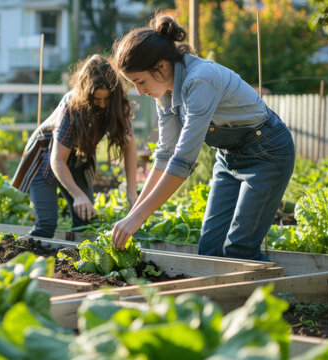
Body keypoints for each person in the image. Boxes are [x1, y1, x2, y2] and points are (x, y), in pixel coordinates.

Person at [110, 14, 295, 261]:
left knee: (239, 251)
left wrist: (138, 218)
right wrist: (134, 213)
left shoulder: (200, 79)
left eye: (140, 81)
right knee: (209, 249)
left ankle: (276, 298)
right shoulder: (163, 92)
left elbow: (183, 160)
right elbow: (165, 154)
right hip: (229, 157)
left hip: (267, 153)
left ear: (162, 66)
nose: (139, 92)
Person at [12, 55, 139, 238]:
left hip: (79, 158)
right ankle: (28, 262)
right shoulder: (71, 106)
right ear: (86, 95)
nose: (102, 105)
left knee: (84, 223)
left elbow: (129, 146)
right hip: (45, 157)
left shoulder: (117, 104)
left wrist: (131, 192)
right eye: (96, 99)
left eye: (106, 99)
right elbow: (57, 160)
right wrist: (78, 195)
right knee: (46, 225)